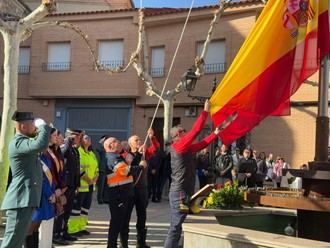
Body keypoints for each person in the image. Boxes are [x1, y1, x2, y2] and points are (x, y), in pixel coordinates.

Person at [164, 99, 221, 248]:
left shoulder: (186, 148)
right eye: (183, 131)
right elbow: (196, 132)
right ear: (177, 135)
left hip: (185, 191)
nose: (186, 132)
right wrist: (205, 112)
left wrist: (214, 134)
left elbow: (201, 144)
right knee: (176, 226)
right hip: (180, 193)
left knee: (179, 224)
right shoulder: (179, 145)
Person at [1, 111, 51, 248]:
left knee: (17, 241)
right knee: (11, 242)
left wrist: (43, 129)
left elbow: (42, 143)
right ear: (23, 126)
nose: (35, 128)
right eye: (33, 125)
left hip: (25, 199)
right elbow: (40, 145)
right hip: (20, 200)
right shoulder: (18, 143)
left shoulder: (25, 142)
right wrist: (43, 127)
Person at [103, 137, 147, 248]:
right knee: (116, 223)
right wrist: (141, 166)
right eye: (116, 142)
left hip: (122, 194)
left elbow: (128, 164)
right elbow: (126, 171)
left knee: (118, 222)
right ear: (111, 146)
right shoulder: (113, 158)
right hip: (118, 195)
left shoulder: (116, 156)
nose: (119, 143)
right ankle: (112, 245)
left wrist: (137, 155)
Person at [121, 129, 160, 248]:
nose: (139, 141)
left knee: (142, 215)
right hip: (130, 189)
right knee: (126, 216)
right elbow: (131, 166)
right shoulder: (126, 155)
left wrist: (152, 137)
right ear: (130, 144)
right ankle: (124, 244)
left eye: (140, 139)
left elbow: (156, 148)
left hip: (142, 188)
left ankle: (141, 243)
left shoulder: (145, 153)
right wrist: (138, 154)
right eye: (136, 140)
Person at [53, 128, 82, 243]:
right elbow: (61, 157)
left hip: (72, 185)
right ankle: (56, 234)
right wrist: (67, 141)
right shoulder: (65, 147)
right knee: (61, 210)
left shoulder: (75, 150)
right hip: (65, 185)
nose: (78, 139)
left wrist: (77, 184)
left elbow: (76, 170)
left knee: (68, 211)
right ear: (70, 136)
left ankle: (64, 232)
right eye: (76, 137)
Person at [68, 134, 99, 236]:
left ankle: (81, 227)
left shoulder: (91, 154)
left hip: (90, 186)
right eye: (86, 138)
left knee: (85, 208)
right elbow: (79, 169)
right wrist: (88, 179)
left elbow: (96, 169)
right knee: (76, 208)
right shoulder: (79, 152)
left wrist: (95, 178)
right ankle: (73, 229)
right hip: (81, 185)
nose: (89, 139)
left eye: (90, 138)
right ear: (81, 141)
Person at [26, 151, 56, 248]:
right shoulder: (32, 157)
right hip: (36, 195)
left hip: (46, 196)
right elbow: (39, 179)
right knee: (31, 226)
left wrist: (52, 192)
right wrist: (49, 194)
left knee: (37, 225)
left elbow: (51, 177)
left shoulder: (45, 157)